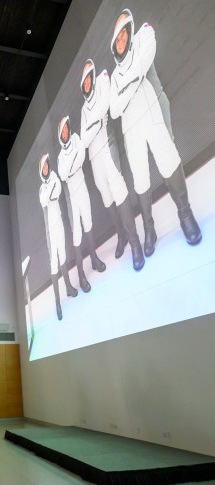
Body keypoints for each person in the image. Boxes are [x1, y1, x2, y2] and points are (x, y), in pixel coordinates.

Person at [109, 9, 201, 254]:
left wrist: (125, 89)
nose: (121, 40)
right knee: (140, 179)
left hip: (153, 115)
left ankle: (185, 213)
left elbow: (145, 59)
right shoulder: (113, 77)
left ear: (130, 31)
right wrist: (133, 79)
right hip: (131, 130)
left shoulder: (143, 35)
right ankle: (149, 228)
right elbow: (115, 110)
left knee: (168, 160)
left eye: (124, 34)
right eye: (117, 37)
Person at [79, 58, 144, 271]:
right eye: (85, 82)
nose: (88, 84)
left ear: (93, 75)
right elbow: (84, 138)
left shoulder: (103, 79)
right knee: (107, 198)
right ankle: (122, 235)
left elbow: (105, 105)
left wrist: (94, 122)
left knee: (119, 190)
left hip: (108, 148)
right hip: (94, 159)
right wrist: (93, 123)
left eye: (89, 78)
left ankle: (135, 242)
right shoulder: (82, 109)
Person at [57, 115, 106, 292]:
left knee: (89, 224)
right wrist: (72, 164)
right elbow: (63, 175)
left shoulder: (76, 138)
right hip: (72, 199)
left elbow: (81, 156)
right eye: (62, 130)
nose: (65, 132)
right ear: (59, 134)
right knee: (77, 235)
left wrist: (71, 167)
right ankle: (81, 275)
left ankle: (94, 258)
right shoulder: (60, 156)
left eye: (66, 128)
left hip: (83, 190)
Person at [38, 153, 78, 320]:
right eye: (44, 166)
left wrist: (52, 190)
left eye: (47, 164)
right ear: (41, 170)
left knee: (63, 255)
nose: (46, 167)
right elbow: (44, 200)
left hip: (59, 223)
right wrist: (50, 190)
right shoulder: (41, 188)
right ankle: (57, 302)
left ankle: (68, 286)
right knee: (53, 263)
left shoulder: (54, 177)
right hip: (50, 231)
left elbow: (57, 192)